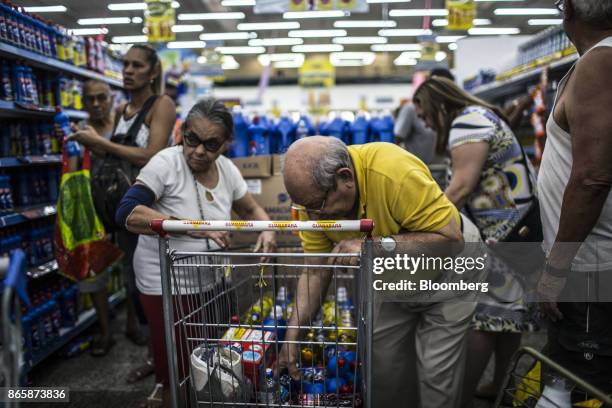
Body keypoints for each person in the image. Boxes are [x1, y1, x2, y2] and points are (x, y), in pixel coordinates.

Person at [277, 136, 484, 407]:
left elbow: (450, 240)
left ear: (345, 177)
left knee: (436, 375)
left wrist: (372, 246)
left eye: (317, 206)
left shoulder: (393, 170)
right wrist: (293, 336)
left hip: (449, 271)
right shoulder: (311, 201)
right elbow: (315, 271)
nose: (312, 217)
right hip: (393, 276)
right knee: (383, 370)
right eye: (304, 208)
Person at [115, 98, 277, 407]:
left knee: (208, 357)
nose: (199, 151)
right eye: (192, 139)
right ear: (183, 132)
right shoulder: (165, 164)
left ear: (226, 144)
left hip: (211, 281)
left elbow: (251, 207)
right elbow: (127, 211)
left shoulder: (227, 170)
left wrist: (266, 227)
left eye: (211, 144)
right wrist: (188, 225)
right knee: (174, 356)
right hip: (166, 282)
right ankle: (165, 392)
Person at [413, 77, 541, 404]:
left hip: (502, 235)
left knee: (484, 320)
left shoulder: (467, 121)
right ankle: (500, 385)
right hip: (518, 231)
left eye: (424, 114)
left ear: (437, 106)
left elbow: (461, 187)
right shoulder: (479, 116)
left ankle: (460, 394)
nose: (425, 124)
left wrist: (423, 226)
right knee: (507, 317)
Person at [69, 44, 176, 394]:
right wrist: (85, 140)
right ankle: (155, 357)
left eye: (137, 65)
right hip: (125, 212)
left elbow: (151, 154)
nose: (128, 70)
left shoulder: (160, 105)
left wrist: (103, 142)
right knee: (137, 285)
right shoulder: (120, 109)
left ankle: (167, 361)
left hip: (153, 211)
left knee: (156, 286)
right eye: (125, 64)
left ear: (152, 72)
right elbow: (116, 156)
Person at [537, 0, 612, 394]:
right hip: (590, 263)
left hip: (591, 269)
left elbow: (592, 179)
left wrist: (555, 270)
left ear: (569, 12)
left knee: (583, 387)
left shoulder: (600, 62)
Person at [71, 79, 117, 356]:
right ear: (83, 102)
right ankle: (105, 331)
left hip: (123, 208)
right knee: (94, 273)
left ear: (111, 99)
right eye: (91, 99)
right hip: (94, 211)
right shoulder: (80, 133)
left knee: (134, 274)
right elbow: (75, 174)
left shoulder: (122, 129)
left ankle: (133, 326)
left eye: (102, 97)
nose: (97, 104)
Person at [394, 67, 455, 164]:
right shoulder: (411, 109)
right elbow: (397, 139)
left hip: (442, 172)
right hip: (417, 173)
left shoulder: (450, 109)